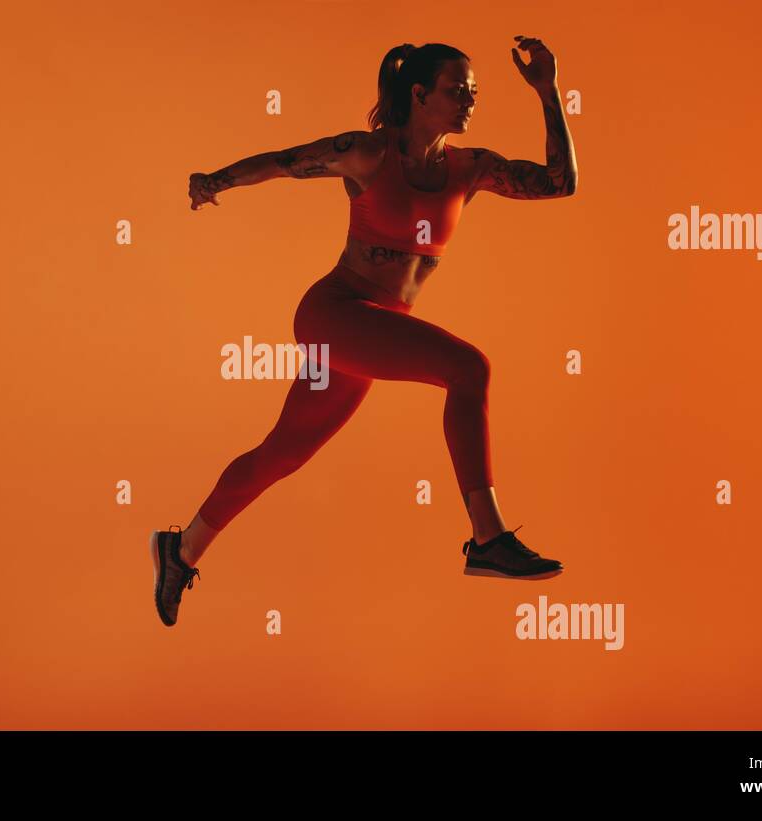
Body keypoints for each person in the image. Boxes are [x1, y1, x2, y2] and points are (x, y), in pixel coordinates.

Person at [153, 37, 579, 627]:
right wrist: (214, 180)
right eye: (457, 91)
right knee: (469, 369)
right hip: (336, 314)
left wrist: (547, 91)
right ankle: (488, 539)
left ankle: (180, 550)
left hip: (375, 329)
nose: (469, 102)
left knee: (283, 452)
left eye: (474, 93)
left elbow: (560, 183)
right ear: (419, 93)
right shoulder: (369, 156)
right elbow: (283, 161)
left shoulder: (471, 167)